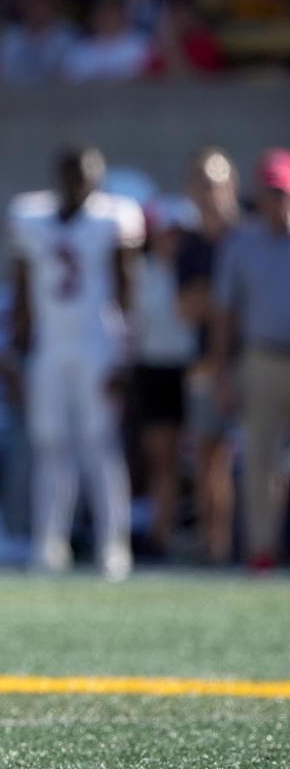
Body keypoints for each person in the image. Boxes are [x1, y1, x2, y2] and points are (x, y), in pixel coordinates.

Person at [9, 145, 144, 580]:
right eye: (72, 175)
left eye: (86, 176)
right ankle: (48, 543)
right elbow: (21, 285)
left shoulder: (113, 218)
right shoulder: (30, 217)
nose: (78, 184)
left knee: (99, 445)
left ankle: (112, 545)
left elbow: (127, 289)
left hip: (96, 344)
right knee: (50, 445)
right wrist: (20, 346)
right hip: (50, 345)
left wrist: (125, 354)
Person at [210, 149, 290, 571]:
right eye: (272, 192)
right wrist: (223, 371)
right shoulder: (242, 244)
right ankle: (262, 550)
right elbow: (225, 314)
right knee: (259, 459)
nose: (279, 201)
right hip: (260, 358)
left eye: (284, 193)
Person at [178, 148, 241, 564]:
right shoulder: (191, 245)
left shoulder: (251, 233)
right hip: (206, 361)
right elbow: (187, 308)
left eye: (216, 181)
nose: (209, 191)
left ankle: (259, 545)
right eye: (202, 182)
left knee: (262, 459)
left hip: (253, 358)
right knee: (207, 456)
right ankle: (215, 546)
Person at [132, 195, 199, 554]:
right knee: (162, 459)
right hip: (154, 370)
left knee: (205, 456)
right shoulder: (141, 273)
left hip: (190, 369)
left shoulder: (199, 272)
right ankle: (162, 533)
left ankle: (209, 538)